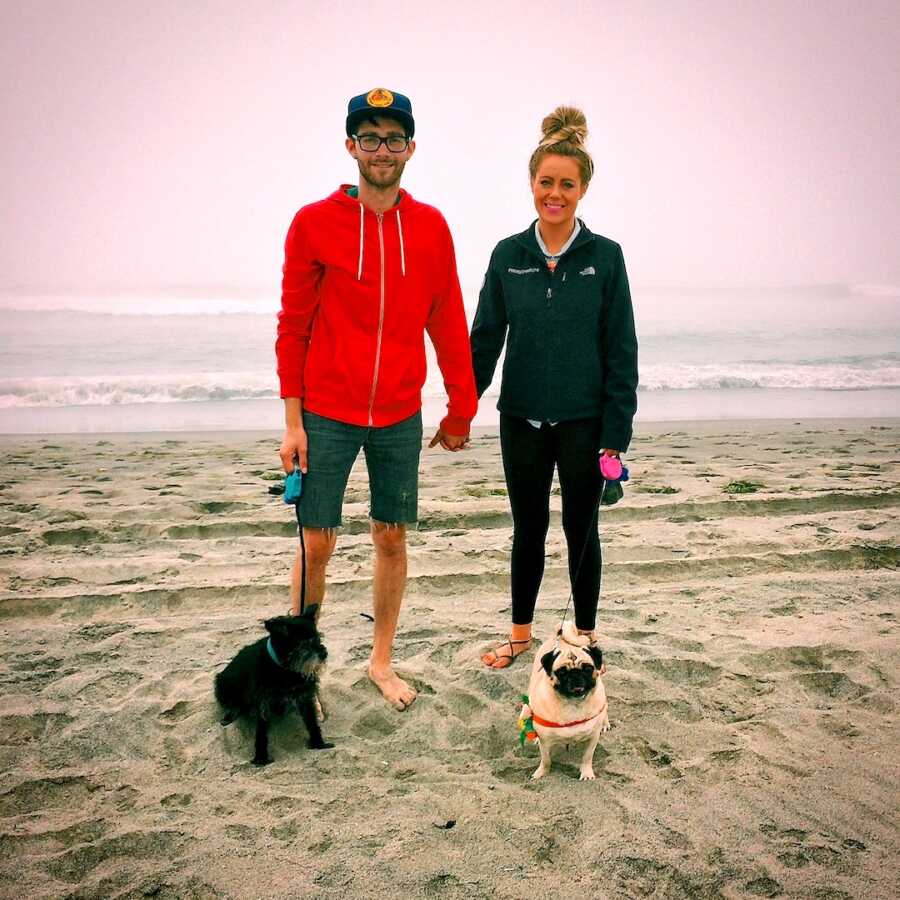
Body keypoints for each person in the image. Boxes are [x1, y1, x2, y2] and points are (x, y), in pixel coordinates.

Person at [276, 88, 477, 709]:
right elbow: (294, 325)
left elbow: (447, 322)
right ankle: (298, 666)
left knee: (391, 536)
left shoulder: (432, 226)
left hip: (397, 415)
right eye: (370, 138)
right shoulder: (314, 223)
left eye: (393, 138)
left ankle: (380, 661)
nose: (382, 149)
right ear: (351, 147)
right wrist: (293, 423)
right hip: (326, 414)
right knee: (318, 541)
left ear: (410, 148)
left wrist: (460, 409)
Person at [470, 106, 638, 668]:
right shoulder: (508, 255)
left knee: (580, 530)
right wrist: (461, 405)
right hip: (520, 418)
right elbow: (485, 337)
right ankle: (521, 635)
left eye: (567, 184)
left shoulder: (606, 257)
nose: (556, 194)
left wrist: (617, 431)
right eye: (547, 183)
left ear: (583, 188)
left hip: (585, 421)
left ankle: (584, 635)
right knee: (529, 528)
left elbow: (621, 350)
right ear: (532, 184)